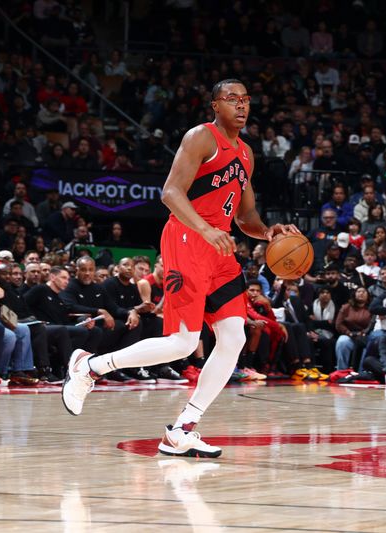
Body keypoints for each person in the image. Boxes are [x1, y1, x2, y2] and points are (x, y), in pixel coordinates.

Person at [61, 79, 299, 458]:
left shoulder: (246, 154)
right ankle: (90, 366)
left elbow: (246, 215)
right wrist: (204, 228)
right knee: (183, 343)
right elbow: (170, 192)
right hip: (188, 238)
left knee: (234, 338)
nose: (240, 105)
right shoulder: (200, 138)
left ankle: (182, 427)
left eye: (245, 99)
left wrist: (268, 231)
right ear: (214, 105)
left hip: (219, 248)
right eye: (231, 99)